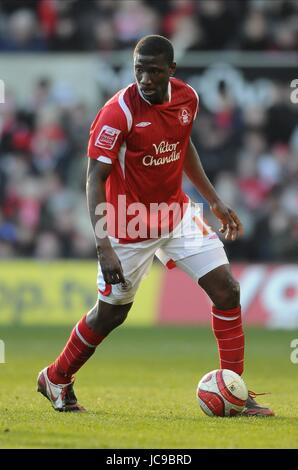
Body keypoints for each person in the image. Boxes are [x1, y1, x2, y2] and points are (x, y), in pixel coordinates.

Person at [37, 35, 274, 416]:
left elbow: (182, 145)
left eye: (154, 71)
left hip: (176, 215)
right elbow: (93, 178)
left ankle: (235, 389)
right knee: (111, 313)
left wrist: (212, 198)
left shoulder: (188, 99)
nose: (145, 79)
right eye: (139, 70)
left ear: (171, 71)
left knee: (227, 290)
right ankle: (56, 376)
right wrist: (104, 246)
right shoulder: (119, 113)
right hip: (126, 226)